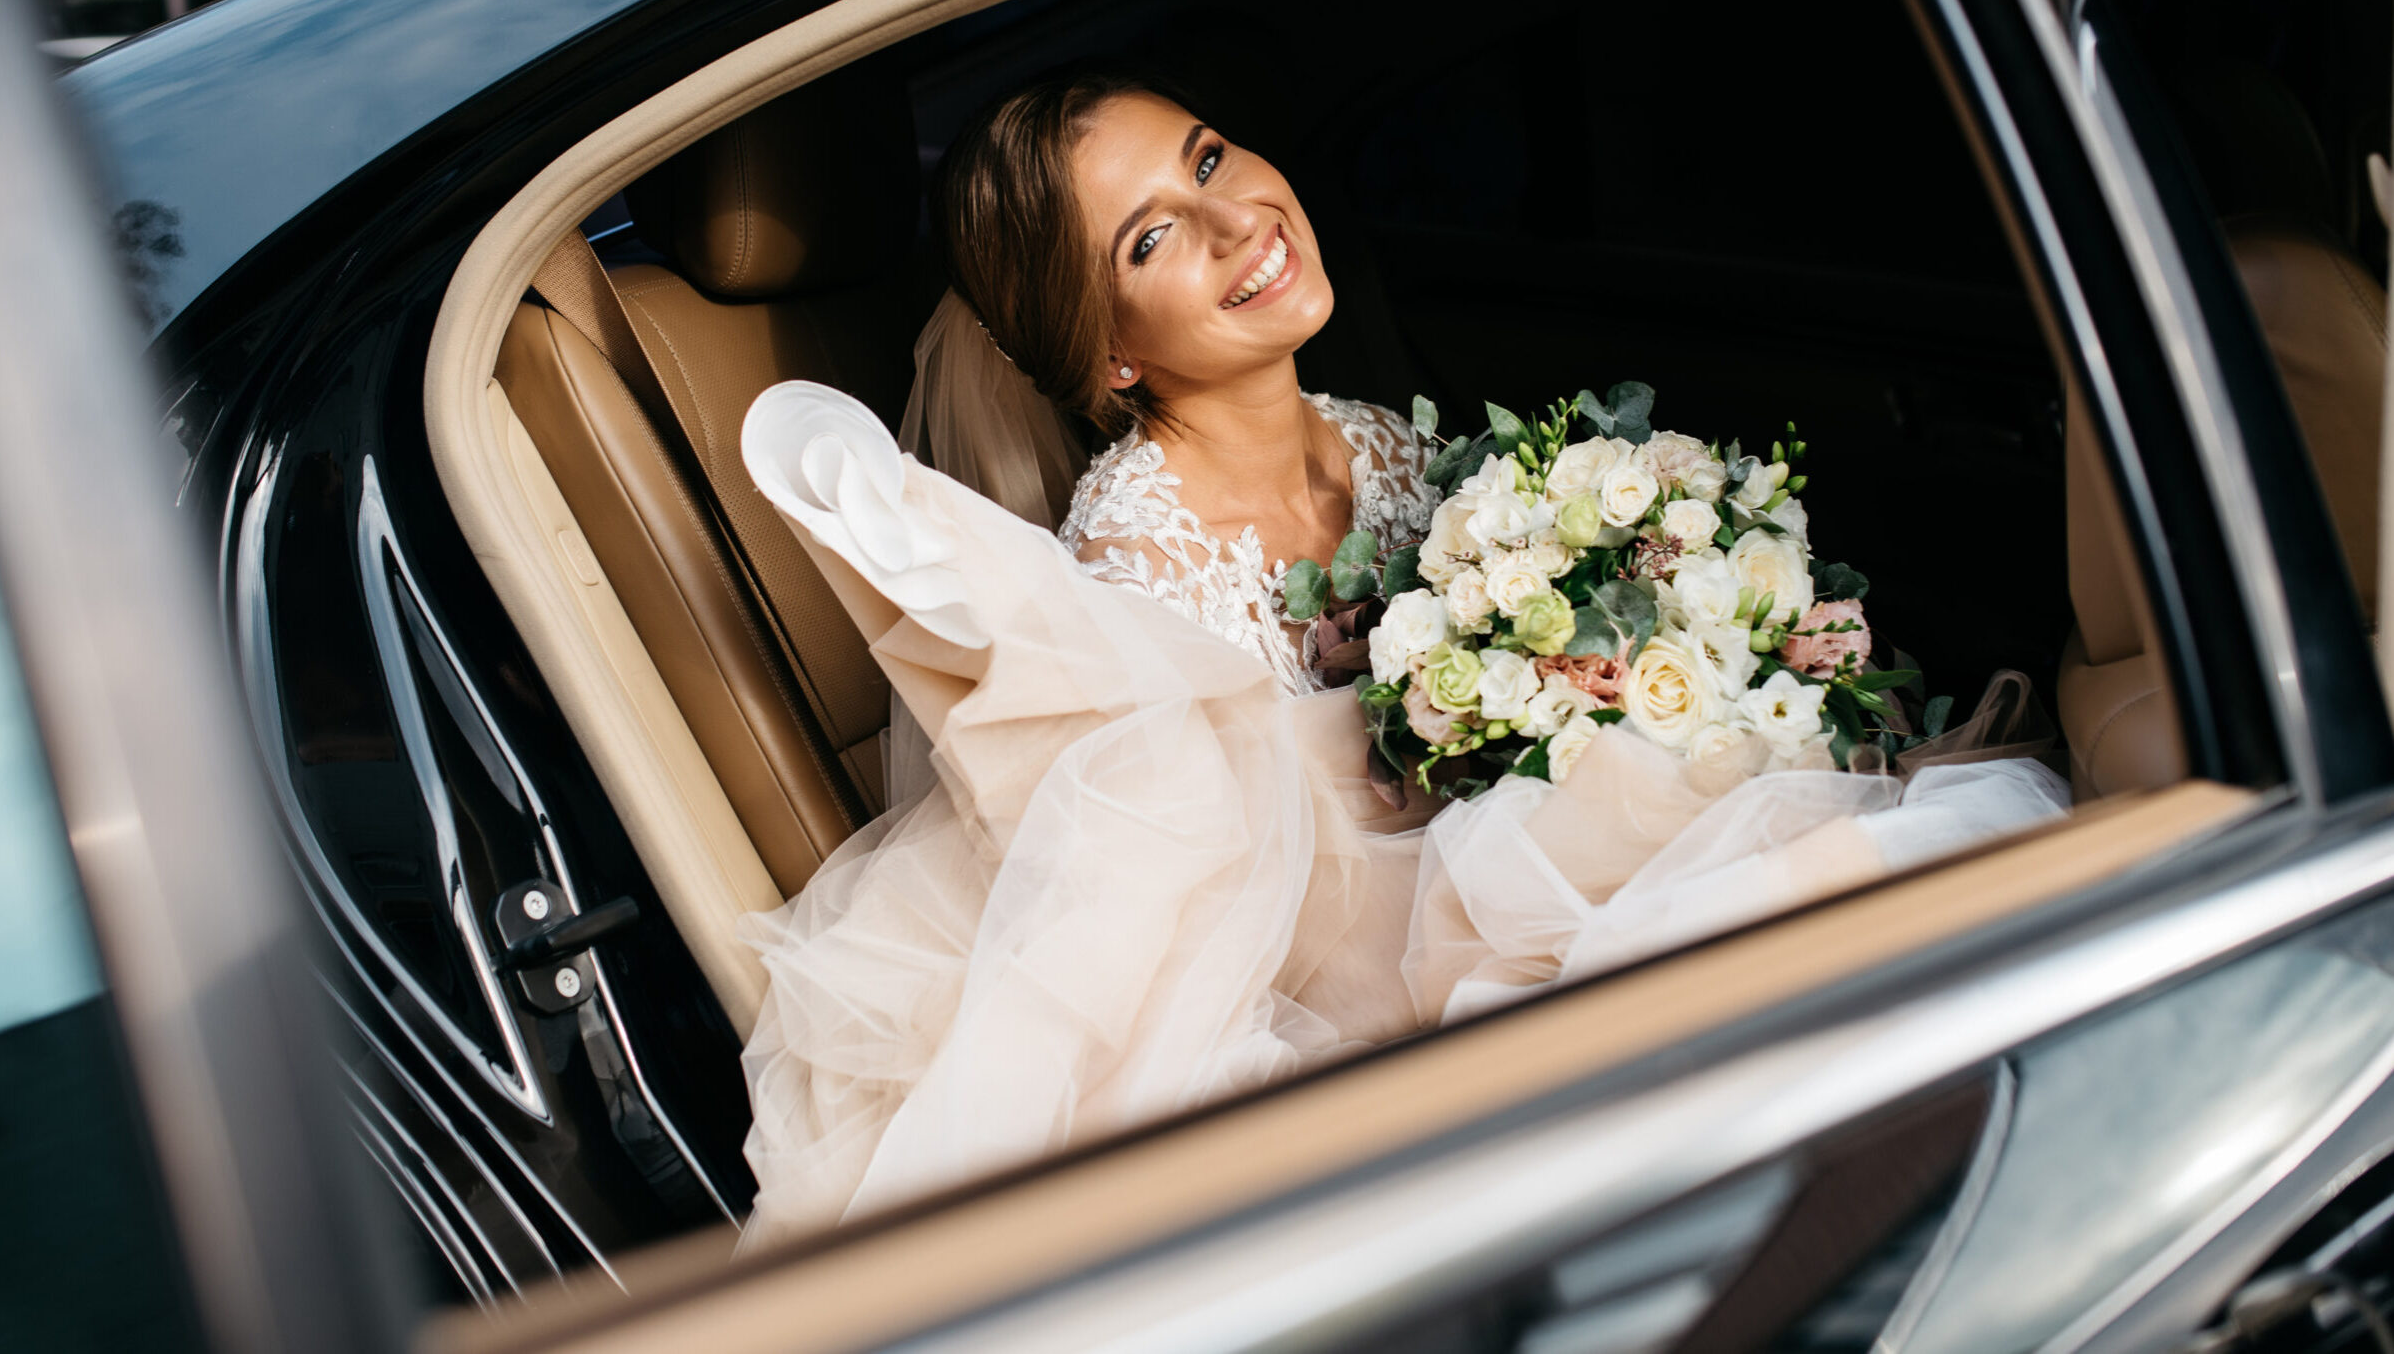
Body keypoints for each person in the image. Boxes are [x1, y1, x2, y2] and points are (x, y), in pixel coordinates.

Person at [730, 70, 2065, 1249]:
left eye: (1207, 158)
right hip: (1346, 995)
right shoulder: (1137, 556)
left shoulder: (1383, 443)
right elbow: (1191, 903)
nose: (1234, 218)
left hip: (1494, 891)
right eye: (1153, 236)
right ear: (1115, 353)